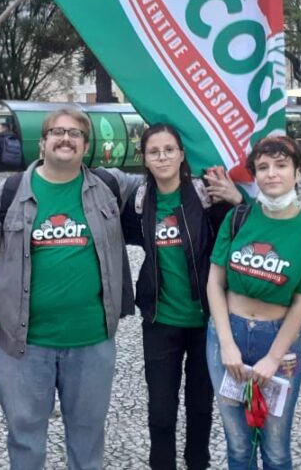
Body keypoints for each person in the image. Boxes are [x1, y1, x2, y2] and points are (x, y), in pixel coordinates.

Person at [0, 107, 134, 470]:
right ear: (42, 142)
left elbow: (163, 184)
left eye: (75, 134)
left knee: (88, 437)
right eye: (57, 132)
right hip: (24, 344)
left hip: (91, 340)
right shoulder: (7, 193)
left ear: (85, 145)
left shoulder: (109, 186)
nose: (65, 138)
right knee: (25, 437)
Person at [120, 123, 242, 470]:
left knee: (200, 407)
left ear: (182, 154)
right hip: (160, 320)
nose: (163, 157)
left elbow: (244, 234)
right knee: (160, 411)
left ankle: (197, 464)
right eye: (155, 151)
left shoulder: (207, 198)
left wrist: (237, 200)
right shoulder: (139, 203)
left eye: (169, 150)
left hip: (205, 320)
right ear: (144, 158)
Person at [206, 135, 301, 470]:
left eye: (281, 165)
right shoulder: (239, 219)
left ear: (297, 171)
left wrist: (273, 358)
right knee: (238, 443)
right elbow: (214, 285)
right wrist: (227, 344)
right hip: (227, 335)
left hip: (278, 341)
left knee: (276, 448)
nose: (271, 173)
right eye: (263, 167)